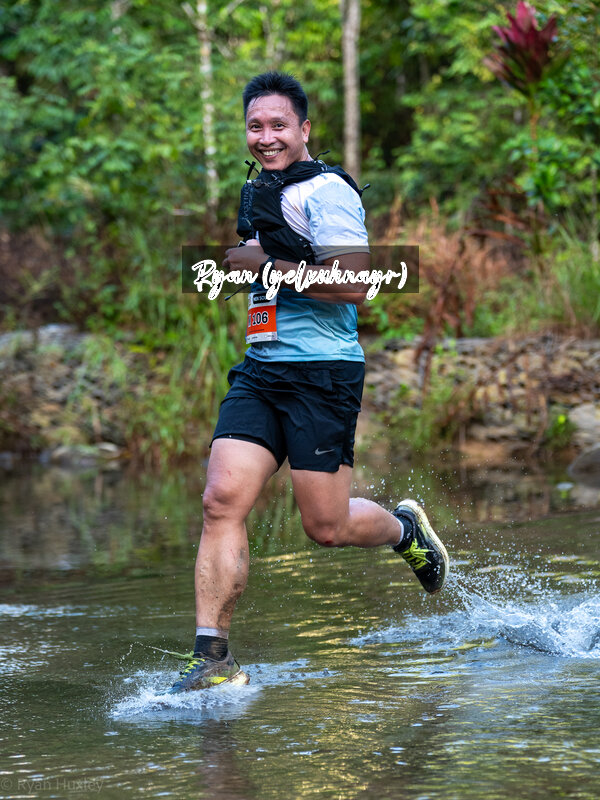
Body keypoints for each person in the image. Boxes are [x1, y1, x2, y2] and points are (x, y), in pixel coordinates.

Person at [169, 72, 449, 693]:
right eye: (255, 126)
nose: (266, 137)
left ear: (303, 128)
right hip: (261, 369)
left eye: (278, 125)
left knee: (326, 528)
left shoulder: (328, 192)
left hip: (322, 373)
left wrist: (266, 264)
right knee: (220, 499)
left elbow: (356, 284)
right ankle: (212, 659)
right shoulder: (259, 189)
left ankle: (405, 530)